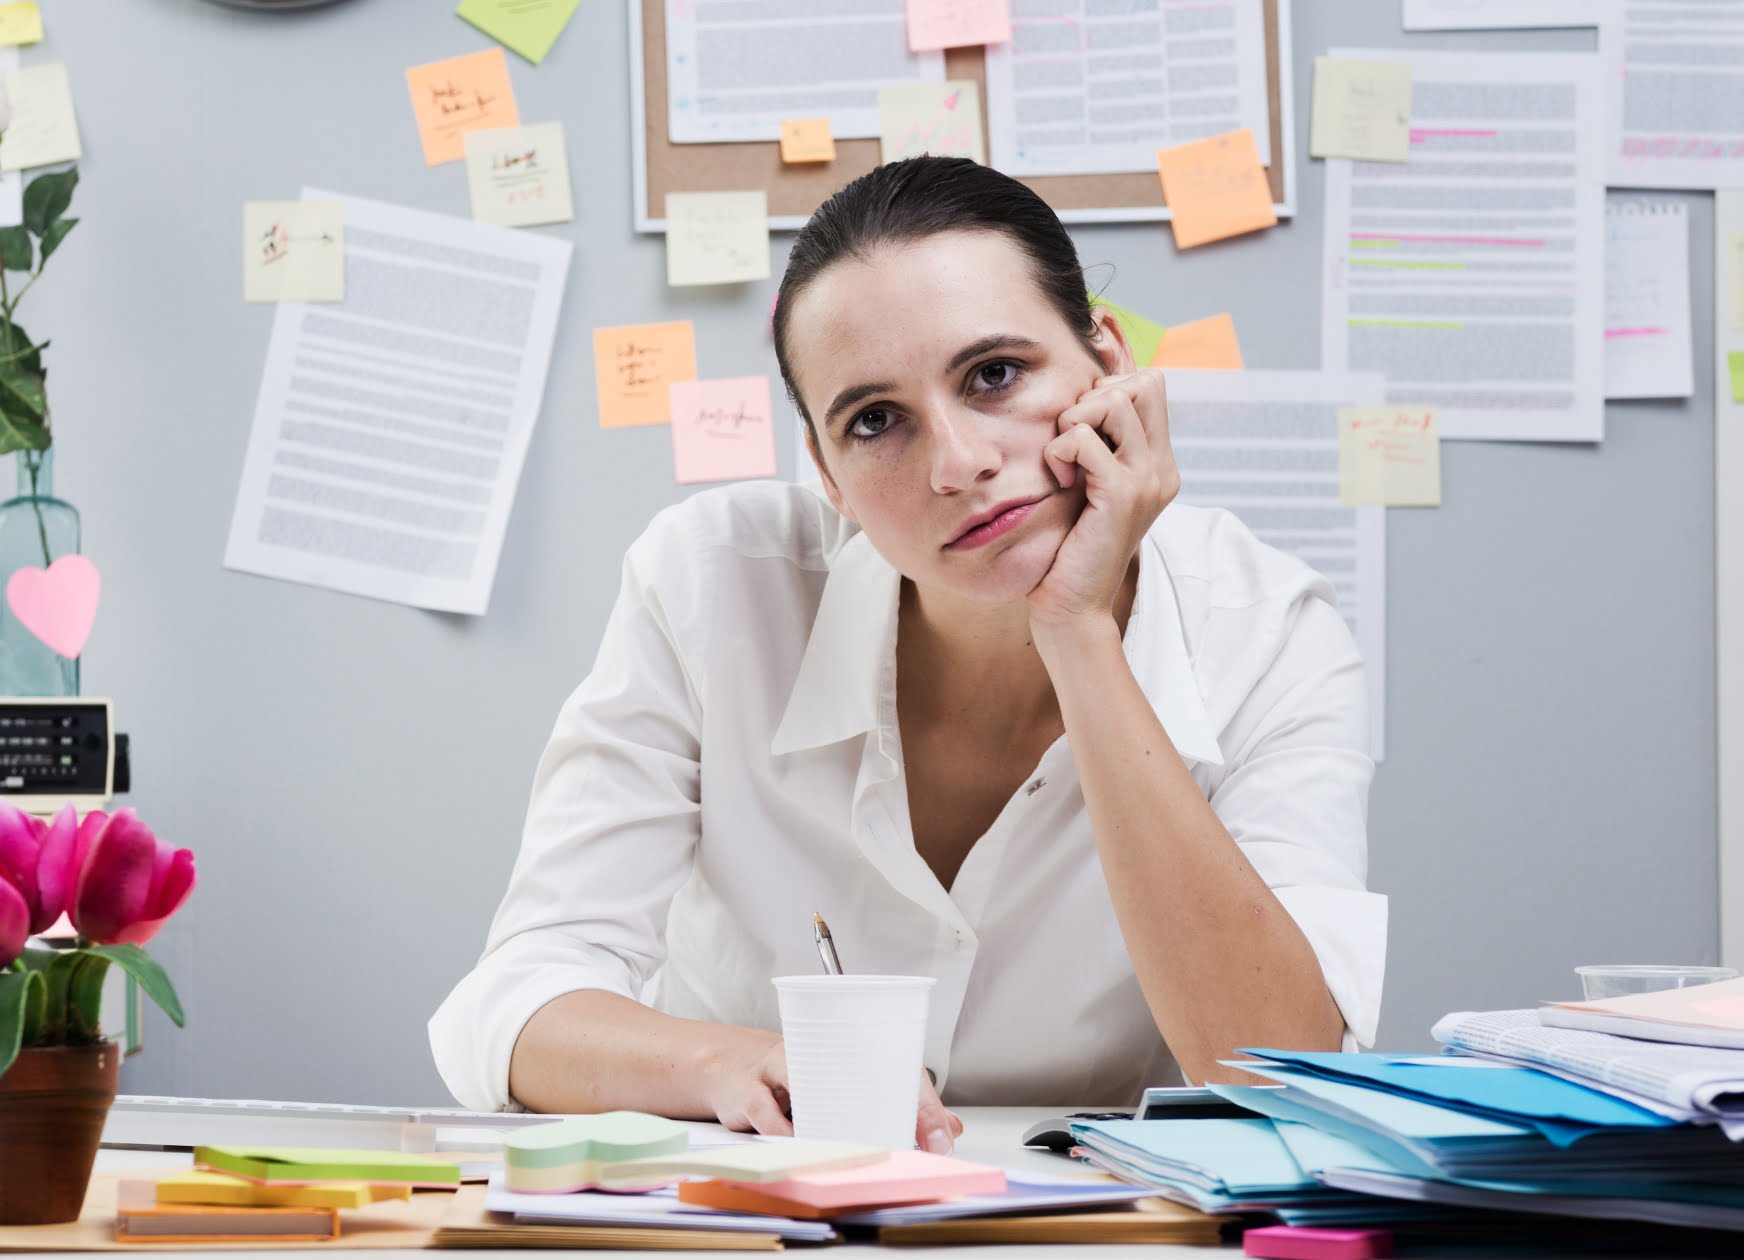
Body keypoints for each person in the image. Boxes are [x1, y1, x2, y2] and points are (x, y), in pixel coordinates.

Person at [429, 157, 1384, 1154]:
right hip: (762, 1203)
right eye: (875, 421)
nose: (957, 464)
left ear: (1106, 361)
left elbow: (1284, 1076)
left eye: (995, 374)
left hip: (1080, 1217)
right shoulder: (710, 583)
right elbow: (516, 1004)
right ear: (826, 473)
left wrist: (1076, 633)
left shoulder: (1268, 632)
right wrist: (723, 1063)